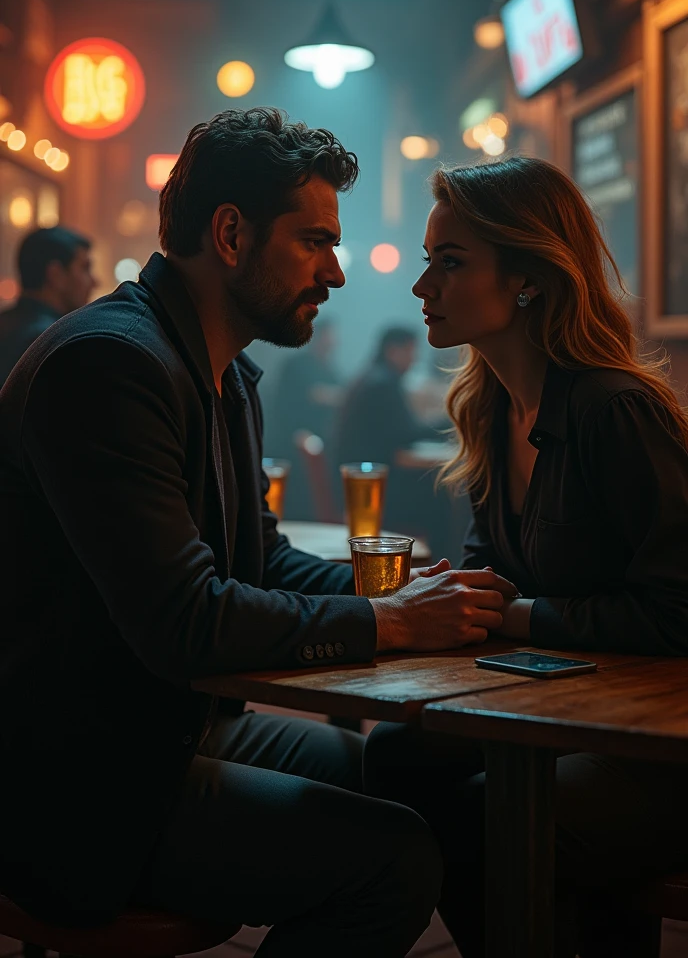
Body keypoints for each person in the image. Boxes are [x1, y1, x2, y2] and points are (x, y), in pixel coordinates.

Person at [0, 108, 518, 957]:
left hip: (168, 726)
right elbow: (186, 623)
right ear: (232, 235)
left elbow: (262, 562)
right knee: (392, 861)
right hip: (73, 777)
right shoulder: (107, 366)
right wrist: (390, 623)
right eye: (314, 241)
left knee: (398, 773)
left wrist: (405, 597)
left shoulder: (222, 367)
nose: (338, 273)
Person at [363, 156, 688, 958]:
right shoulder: (489, 407)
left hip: (656, 747)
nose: (421, 287)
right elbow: (493, 570)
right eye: (427, 261)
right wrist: (462, 588)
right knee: (396, 756)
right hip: (562, 717)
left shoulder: (618, 412)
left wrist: (512, 611)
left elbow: (679, 611)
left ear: (529, 278)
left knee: (488, 814)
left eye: (450, 262)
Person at [265, 317, 343, 518]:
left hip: (318, 442)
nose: (334, 341)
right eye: (329, 335)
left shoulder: (329, 368)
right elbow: (314, 395)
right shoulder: (298, 364)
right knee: (297, 498)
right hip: (291, 442)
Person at [0, 225, 95, 386]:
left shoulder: (5, 323)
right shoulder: (54, 341)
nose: (94, 282)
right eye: (84, 268)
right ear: (55, 274)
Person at [334, 326, 430, 469]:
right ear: (393, 351)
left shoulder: (373, 376)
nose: (414, 359)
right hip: (370, 475)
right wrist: (449, 425)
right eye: (410, 352)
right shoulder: (384, 384)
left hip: (356, 468)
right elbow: (407, 433)